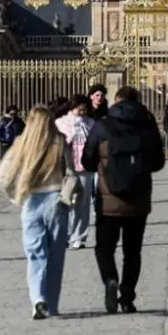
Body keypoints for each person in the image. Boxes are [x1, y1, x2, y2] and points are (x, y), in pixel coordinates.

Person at [80, 86, 165, 314]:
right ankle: (127, 298)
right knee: (132, 252)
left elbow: (87, 160)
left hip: (108, 199)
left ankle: (110, 279)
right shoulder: (147, 125)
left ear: (116, 100)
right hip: (138, 199)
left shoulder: (102, 125)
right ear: (137, 101)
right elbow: (158, 162)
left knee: (104, 248)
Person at [0, 106, 74, 320]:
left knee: (35, 255)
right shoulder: (59, 142)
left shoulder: (22, 143)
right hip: (57, 200)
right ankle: (52, 304)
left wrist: (16, 197)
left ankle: (37, 299)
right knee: (55, 257)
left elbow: (2, 177)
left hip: (31, 202)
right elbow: (71, 172)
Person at [56, 94, 96, 249]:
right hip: (67, 168)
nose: (82, 112)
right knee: (65, 200)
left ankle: (79, 236)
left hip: (85, 168)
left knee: (83, 202)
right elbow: (57, 144)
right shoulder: (61, 123)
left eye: (85, 109)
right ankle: (64, 234)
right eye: (79, 108)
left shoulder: (91, 123)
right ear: (72, 107)